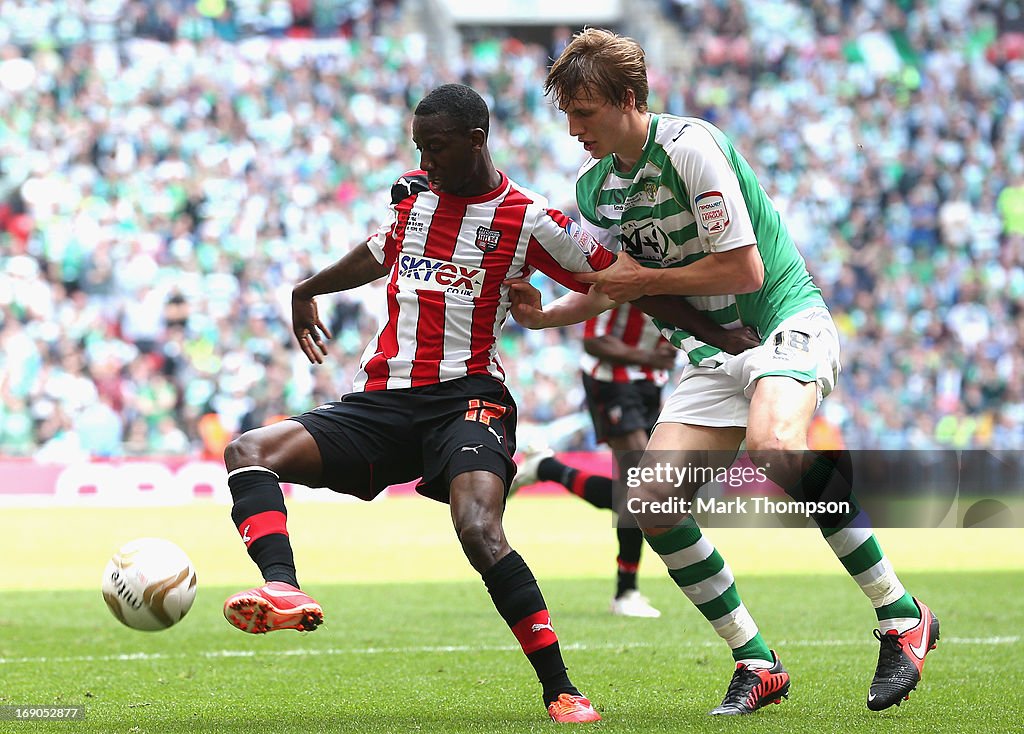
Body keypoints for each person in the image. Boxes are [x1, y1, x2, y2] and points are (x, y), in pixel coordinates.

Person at [509, 28, 939, 716]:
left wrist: (643, 277)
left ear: (627, 100)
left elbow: (744, 268)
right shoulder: (595, 190)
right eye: (566, 114)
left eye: (584, 112)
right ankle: (756, 659)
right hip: (711, 356)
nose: (573, 129)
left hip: (780, 322)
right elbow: (606, 285)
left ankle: (902, 615)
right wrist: (544, 316)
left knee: (775, 446)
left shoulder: (691, 148)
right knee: (649, 501)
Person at [220, 83, 615, 724]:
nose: (424, 162)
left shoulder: (530, 219)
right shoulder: (415, 203)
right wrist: (306, 288)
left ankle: (561, 688)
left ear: (476, 141)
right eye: (419, 149)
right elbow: (377, 254)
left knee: (478, 528)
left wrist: (712, 320)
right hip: (384, 400)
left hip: (469, 399)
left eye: (435, 149)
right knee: (249, 451)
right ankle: (283, 587)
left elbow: (610, 276)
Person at [512, 302, 680, 618]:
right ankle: (625, 591)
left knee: (640, 494)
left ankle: (546, 468)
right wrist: (648, 356)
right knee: (644, 487)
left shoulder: (680, 265)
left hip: (651, 383)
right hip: (611, 379)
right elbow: (593, 340)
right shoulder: (620, 265)